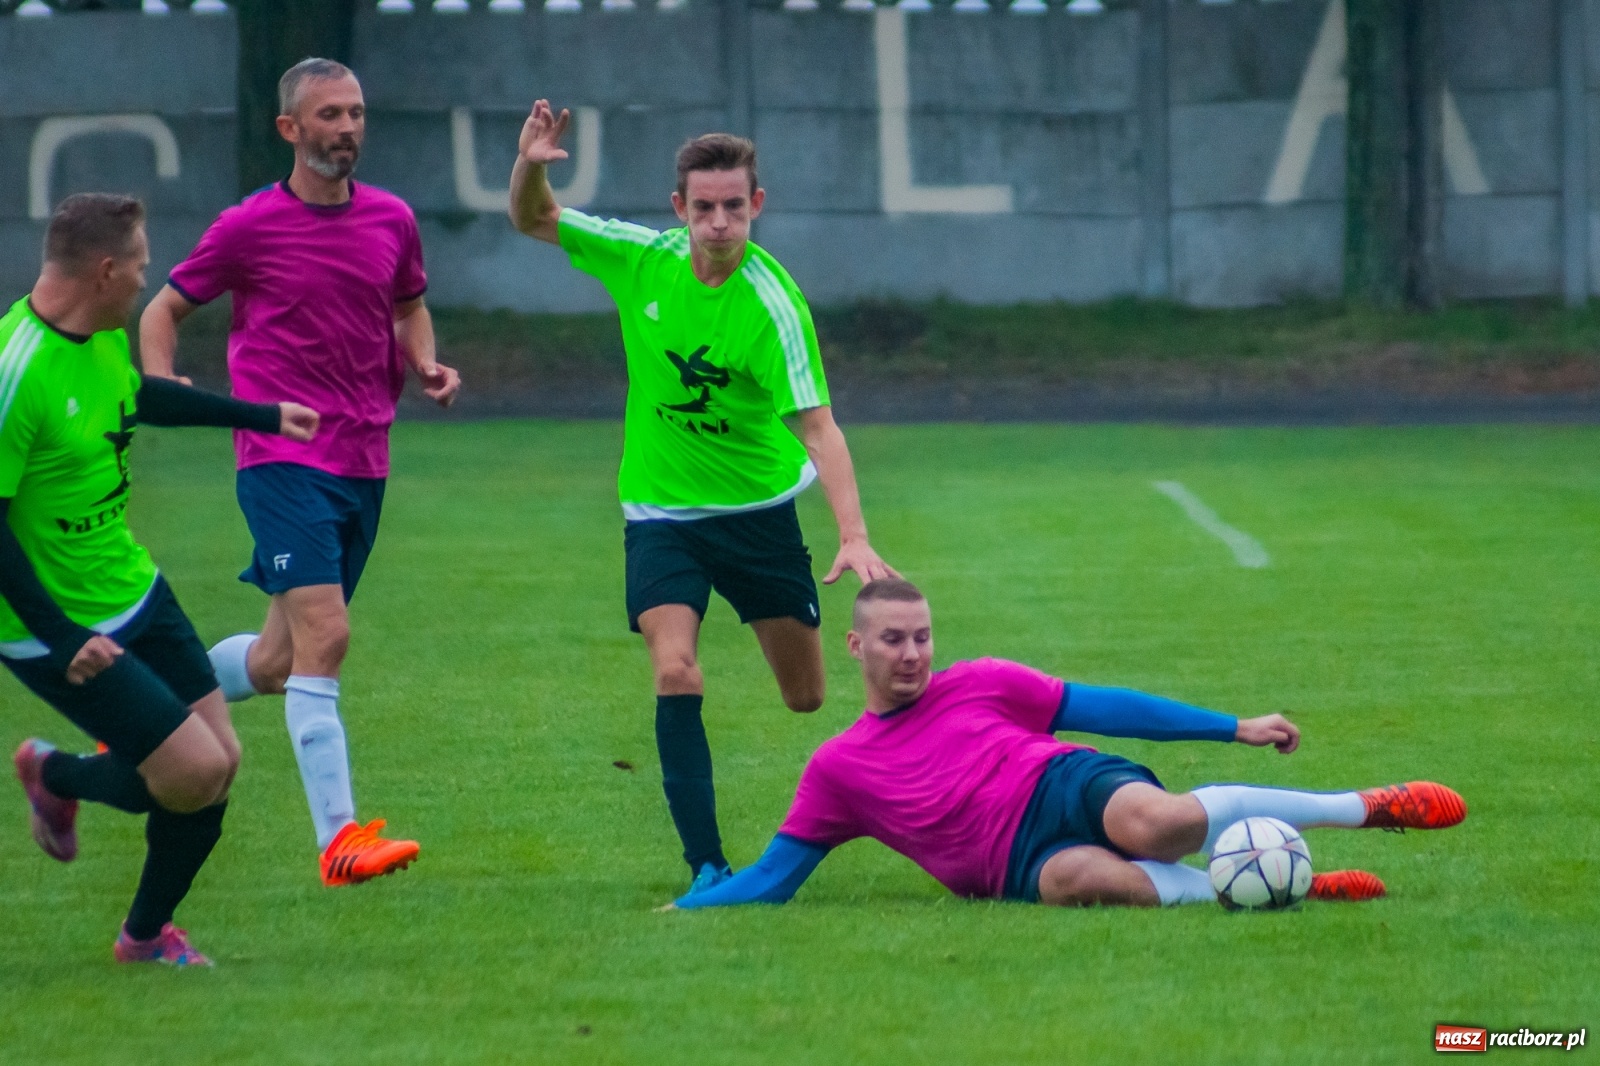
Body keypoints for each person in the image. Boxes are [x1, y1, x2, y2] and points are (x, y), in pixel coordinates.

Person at [509, 101, 897, 892]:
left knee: (805, 696)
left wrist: (853, 535)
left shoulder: (772, 306)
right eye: (704, 207)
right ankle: (708, 868)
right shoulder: (641, 258)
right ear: (679, 208)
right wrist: (530, 165)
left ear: (756, 206)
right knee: (676, 670)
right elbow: (534, 218)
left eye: (734, 207)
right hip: (661, 515)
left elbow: (821, 431)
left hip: (758, 514)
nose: (719, 222)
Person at [138, 59, 460, 887]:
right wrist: (163, 383)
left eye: (355, 113)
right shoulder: (249, 226)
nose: (347, 128)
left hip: (365, 457)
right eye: (329, 115)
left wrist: (424, 361)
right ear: (290, 129)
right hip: (280, 457)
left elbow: (408, 304)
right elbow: (163, 308)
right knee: (330, 635)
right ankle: (339, 839)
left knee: (281, 662)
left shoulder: (392, 218)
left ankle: (140, 712)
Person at [667, 579, 1467, 911]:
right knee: (1087, 881)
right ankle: (1285, 884)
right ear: (854, 647)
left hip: (1064, 784)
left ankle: (1363, 808)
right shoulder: (838, 770)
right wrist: (686, 906)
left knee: (1154, 827)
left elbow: (1108, 707)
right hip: (1012, 866)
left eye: (922, 638)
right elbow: (774, 878)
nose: (912, 655)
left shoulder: (980, 680)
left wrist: (1234, 726)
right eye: (893, 642)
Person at [4, 193, 321, 964]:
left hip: (135, 587)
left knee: (219, 766)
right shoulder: (17, 371)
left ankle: (142, 933)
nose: (149, 281)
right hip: (55, 626)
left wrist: (260, 416)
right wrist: (63, 636)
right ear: (105, 271)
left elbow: (138, 400)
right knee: (195, 773)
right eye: (141, 267)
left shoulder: (103, 336)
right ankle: (59, 775)